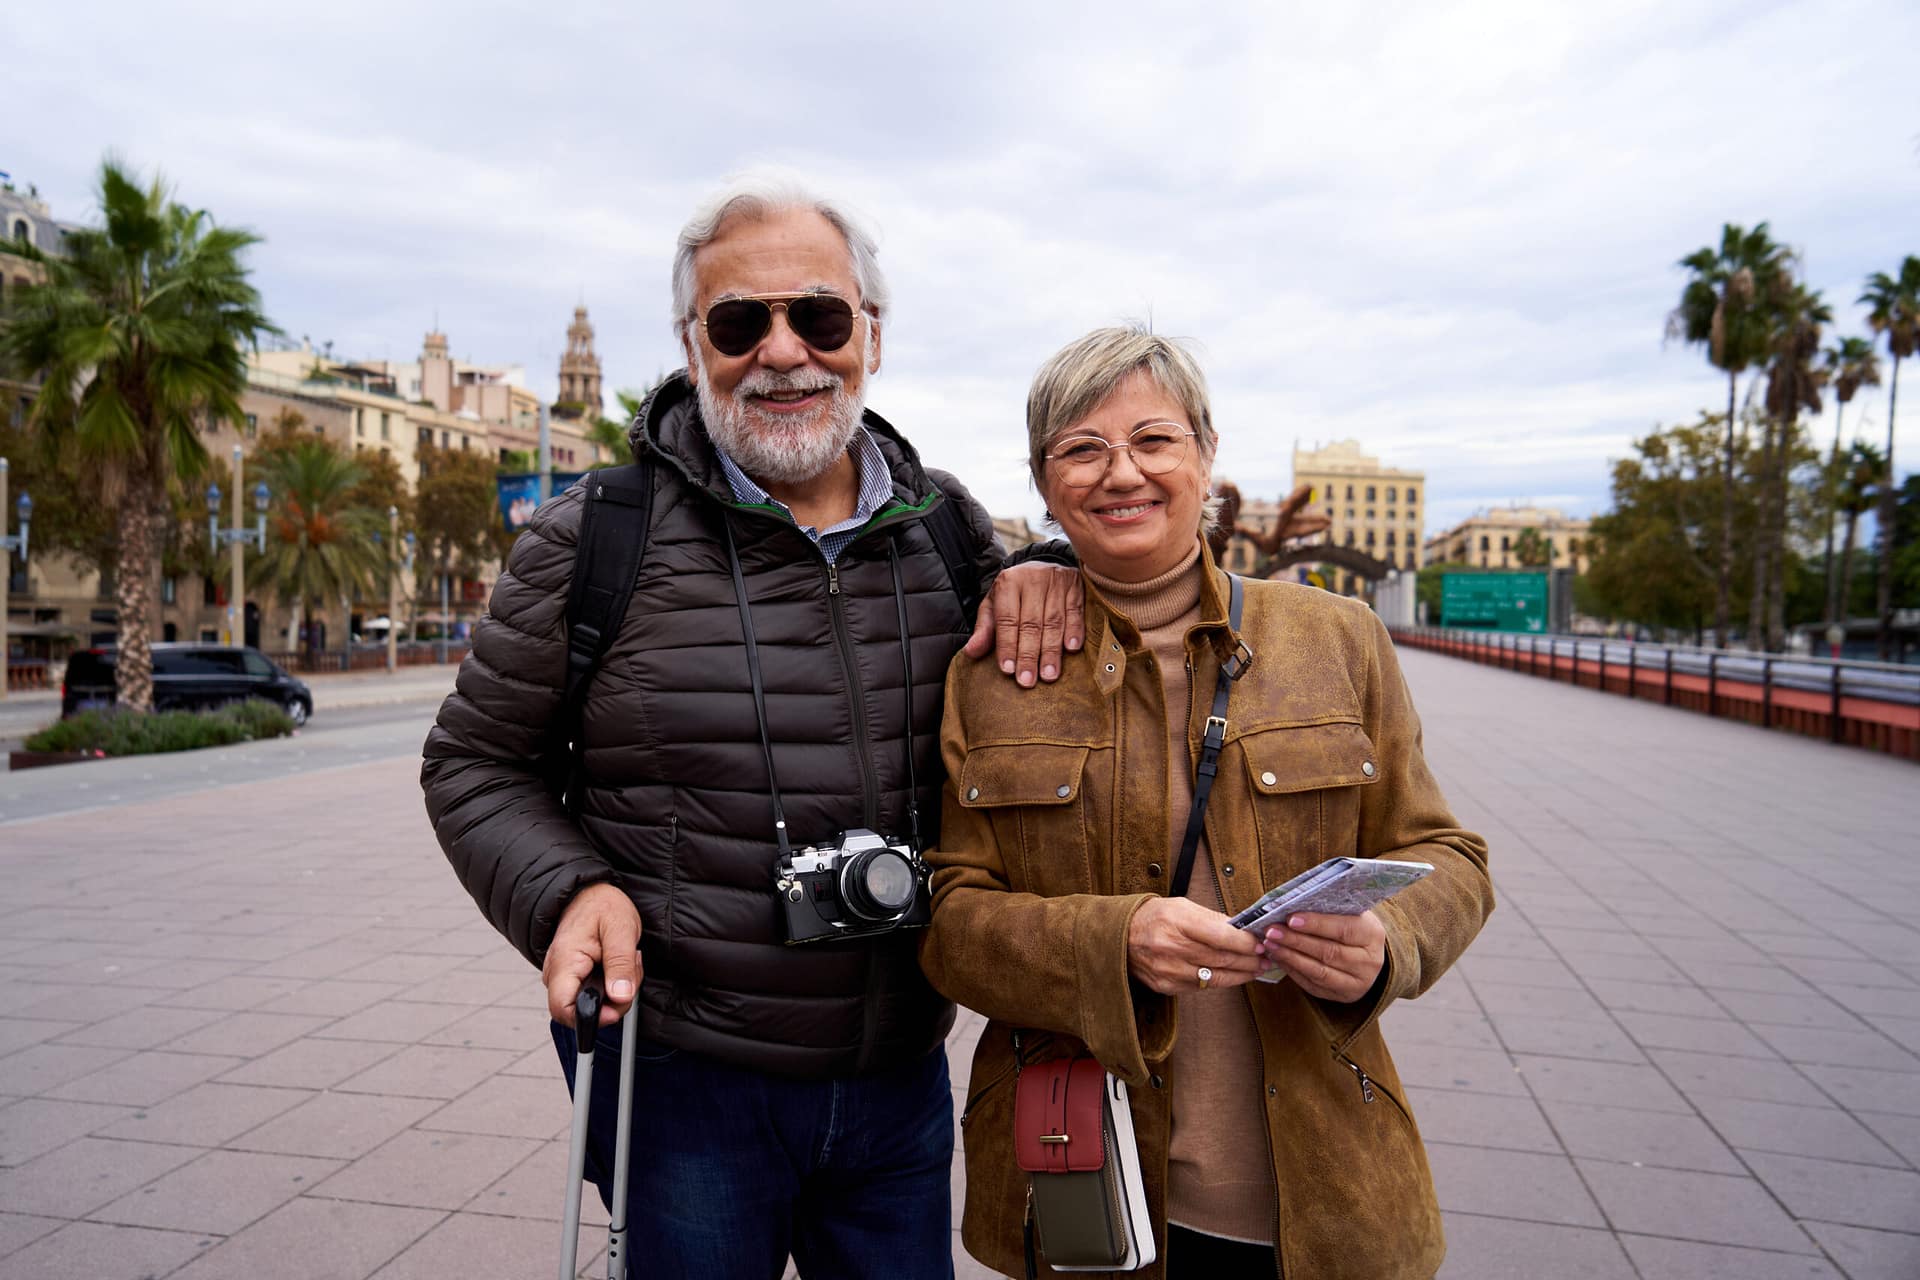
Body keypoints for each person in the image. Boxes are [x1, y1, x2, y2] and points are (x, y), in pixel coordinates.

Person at [421, 175, 1082, 1280]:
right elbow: (475, 761)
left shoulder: (947, 530)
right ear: (694, 348)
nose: (783, 351)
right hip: (686, 1082)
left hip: (899, 1078)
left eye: (819, 315)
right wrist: (569, 893)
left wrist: (1052, 566)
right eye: (738, 323)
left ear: (871, 336)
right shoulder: (596, 535)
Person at [920, 326, 1494, 1279]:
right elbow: (950, 923)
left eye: (1154, 439)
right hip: (1084, 1188)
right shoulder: (994, 673)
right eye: (1081, 449)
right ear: (1044, 482)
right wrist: (1112, 942)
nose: (1122, 473)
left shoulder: (1337, 639)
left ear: (1207, 454)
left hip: (1322, 1195)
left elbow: (1449, 856)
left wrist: (1388, 941)